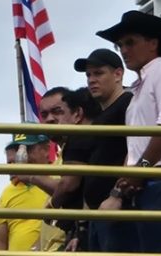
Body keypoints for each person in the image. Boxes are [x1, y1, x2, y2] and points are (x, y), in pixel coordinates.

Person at [95, 10, 161, 254]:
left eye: (130, 42)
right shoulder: (138, 90)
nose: (124, 50)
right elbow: (137, 148)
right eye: (120, 45)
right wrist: (120, 189)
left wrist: (140, 170)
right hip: (149, 180)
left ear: (153, 44)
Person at [68, 48, 135, 252]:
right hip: (98, 216)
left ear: (118, 74)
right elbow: (92, 171)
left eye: (98, 73)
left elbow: (134, 152)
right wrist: (82, 228)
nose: (91, 80)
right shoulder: (99, 119)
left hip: (120, 211)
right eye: (88, 75)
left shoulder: (129, 104)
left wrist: (117, 195)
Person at [49, 87, 101, 250]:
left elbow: (68, 184)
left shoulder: (78, 138)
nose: (53, 120)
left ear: (77, 114)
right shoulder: (104, 136)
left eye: (61, 112)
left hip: (96, 224)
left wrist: (51, 206)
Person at [0, 134, 51, 251]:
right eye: (18, 150)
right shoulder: (9, 191)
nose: (22, 156)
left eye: (28, 149)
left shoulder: (58, 181)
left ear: (46, 150)